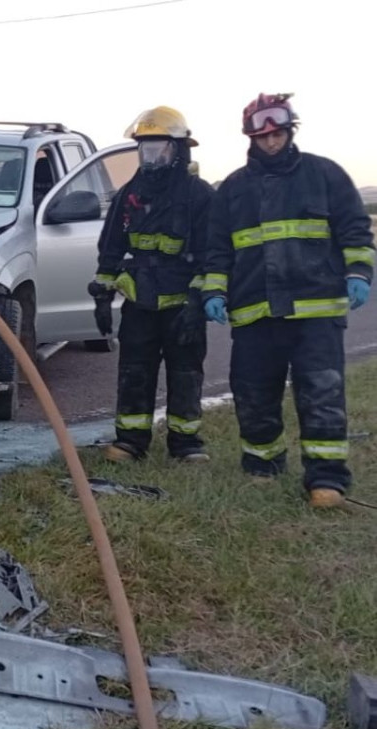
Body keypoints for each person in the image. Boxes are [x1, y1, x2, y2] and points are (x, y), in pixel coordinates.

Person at [202, 93, 375, 508]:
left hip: (316, 311)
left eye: (277, 134)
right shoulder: (234, 189)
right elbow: (218, 248)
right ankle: (263, 465)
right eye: (263, 137)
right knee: (253, 392)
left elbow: (354, 228)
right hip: (255, 311)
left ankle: (327, 479)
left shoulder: (325, 174)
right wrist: (213, 290)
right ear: (251, 138)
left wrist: (358, 273)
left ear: (289, 131)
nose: (271, 143)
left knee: (321, 392)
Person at [91, 106, 215, 463]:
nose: (151, 156)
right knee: (135, 372)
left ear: (178, 150)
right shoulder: (130, 194)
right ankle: (130, 441)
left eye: (158, 148)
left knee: (186, 373)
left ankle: (186, 443)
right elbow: (111, 246)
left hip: (182, 305)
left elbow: (213, 252)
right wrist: (102, 292)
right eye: (145, 149)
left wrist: (198, 300)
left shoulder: (200, 195)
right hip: (140, 304)